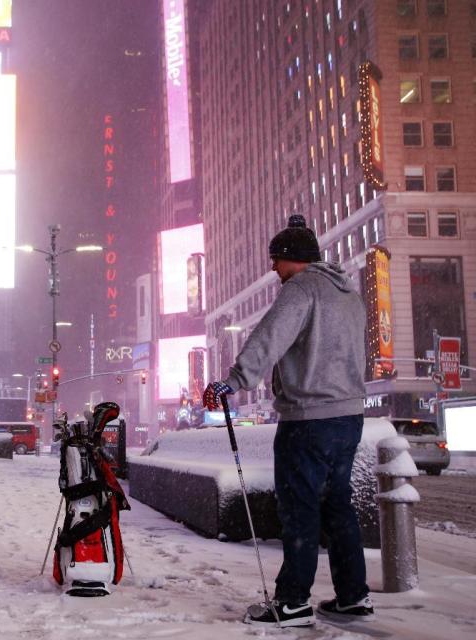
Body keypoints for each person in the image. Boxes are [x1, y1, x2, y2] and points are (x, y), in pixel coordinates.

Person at [203, 215, 370, 628]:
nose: (273, 270)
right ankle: (353, 596)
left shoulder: (301, 289)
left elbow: (269, 336)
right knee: (338, 507)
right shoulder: (347, 291)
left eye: (276, 261)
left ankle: (293, 601)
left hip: (309, 419)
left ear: (292, 260)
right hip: (349, 417)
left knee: (299, 510)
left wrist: (234, 382)